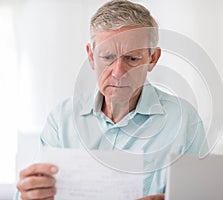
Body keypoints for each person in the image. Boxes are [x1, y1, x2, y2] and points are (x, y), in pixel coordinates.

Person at [16, 0, 207, 199]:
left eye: (132, 59)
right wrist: (29, 193)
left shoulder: (185, 120)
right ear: (91, 56)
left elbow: (205, 194)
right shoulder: (62, 119)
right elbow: (31, 192)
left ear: (153, 59)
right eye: (107, 57)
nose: (118, 72)